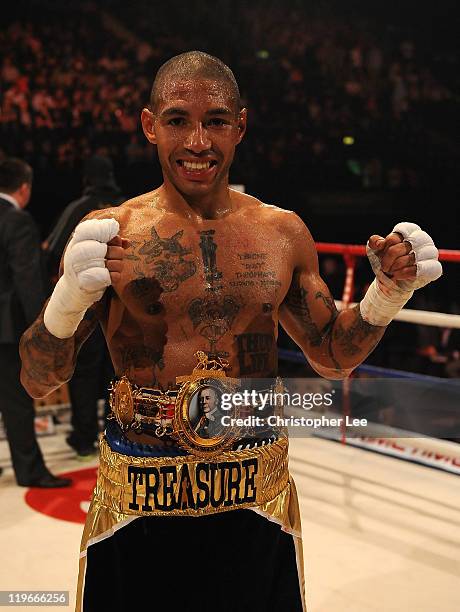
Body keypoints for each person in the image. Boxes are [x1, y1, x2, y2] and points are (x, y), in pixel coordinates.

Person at [19, 52, 442, 611]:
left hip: (253, 496)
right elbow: (39, 380)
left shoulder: (281, 233)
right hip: (141, 501)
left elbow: (333, 357)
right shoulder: (113, 232)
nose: (198, 142)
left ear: (240, 125)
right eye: (177, 121)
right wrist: (67, 300)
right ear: (150, 126)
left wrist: (387, 292)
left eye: (215, 121)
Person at [44, 155, 124, 458]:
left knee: (86, 373)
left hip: (88, 307)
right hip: (124, 310)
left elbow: (51, 250)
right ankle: (116, 432)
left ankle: (84, 435)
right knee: (120, 371)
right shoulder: (130, 208)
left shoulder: (81, 210)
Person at [0, 157, 71, 488]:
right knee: (16, 403)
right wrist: (39, 328)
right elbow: (26, 278)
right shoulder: (17, 220)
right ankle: (29, 470)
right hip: (6, 328)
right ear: (24, 188)